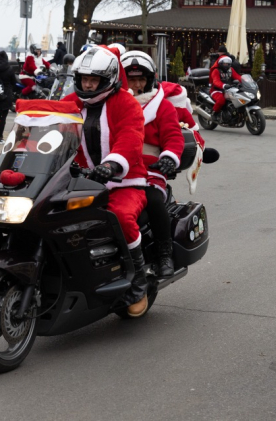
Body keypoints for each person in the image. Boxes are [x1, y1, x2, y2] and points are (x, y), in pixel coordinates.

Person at [62, 46, 150, 317]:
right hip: (79, 182)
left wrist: (111, 165)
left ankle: (139, 283)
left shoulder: (126, 102)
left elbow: (130, 138)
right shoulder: (70, 102)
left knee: (121, 218)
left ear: (108, 78)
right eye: (84, 78)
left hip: (125, 182)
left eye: (94, 79)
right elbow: (45, 125)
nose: (88, 84)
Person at [121, 50, 184, 278]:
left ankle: (163, 253)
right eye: (132, 79)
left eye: (141, 79)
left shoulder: (162, 106)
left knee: (153, 200)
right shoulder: (112, 103)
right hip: (115, 169)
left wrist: (168, 157)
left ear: (150, 79)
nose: (137, 84)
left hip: (150, 169)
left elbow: (174, 137)